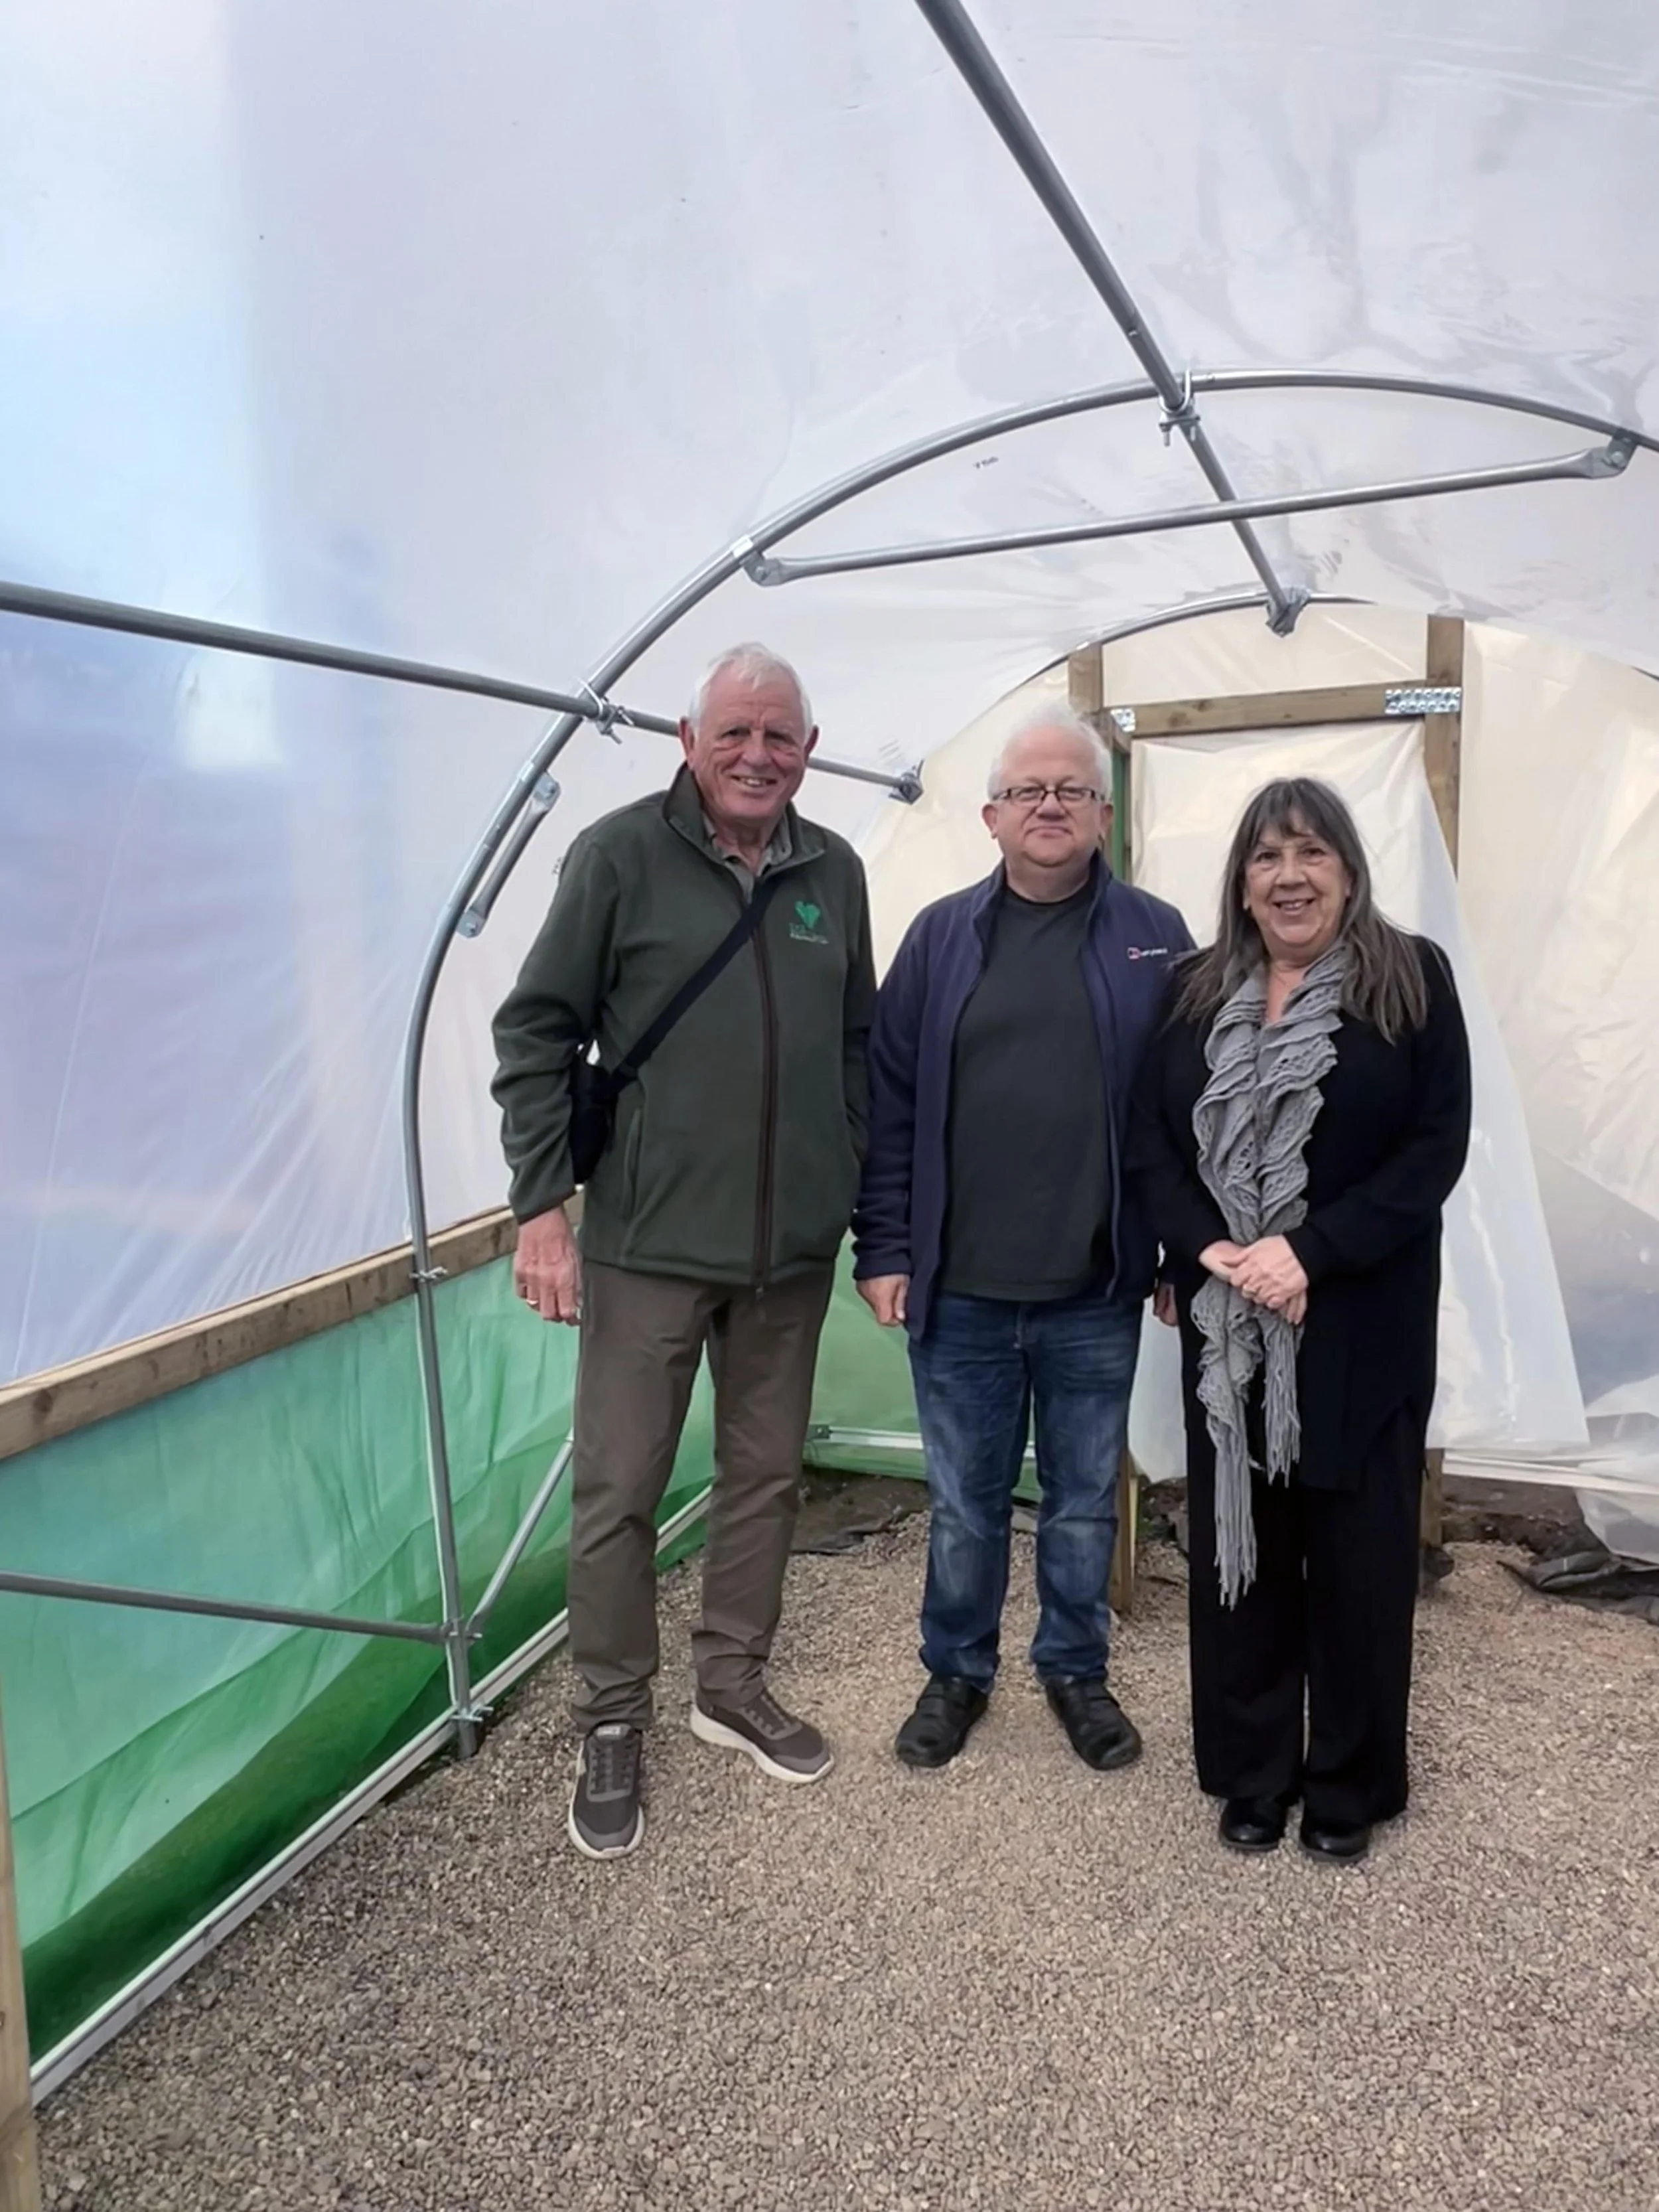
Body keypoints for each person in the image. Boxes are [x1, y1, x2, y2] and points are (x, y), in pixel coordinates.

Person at [492, 643, 875, 1860]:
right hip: (649, 1245)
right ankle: (612, 1716)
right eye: (736, 733)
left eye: (780, 736)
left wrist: (846, 1177)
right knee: (620, 1490)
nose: (758, 755)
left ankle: (732, 1684)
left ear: (810, 750)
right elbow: (535, 1032)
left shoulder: (834, 871)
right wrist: (542, 1207)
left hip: (788, 1255)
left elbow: (856, 1045)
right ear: (687, 739)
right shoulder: (617, 857)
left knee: (764, 1475)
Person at [1127, 776, 1471, 1863]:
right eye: (1267, 856)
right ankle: (1252, 1772)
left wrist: (1312, 1252)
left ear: (1350, 872)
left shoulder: (1411, 978)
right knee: (1246, 1554)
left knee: (1361, 1565)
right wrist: (1208, 1249)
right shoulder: (1191, 993)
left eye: (1312, 853)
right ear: (1241, 882)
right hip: (1232, 1329)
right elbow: (1150, 1143)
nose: (1289, 876)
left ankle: (1349, 1783)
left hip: (1361, 1323)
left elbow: (1435, 1149)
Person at [852, 705, 1193, 1773]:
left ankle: (1075, 1670)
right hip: (959, 1290)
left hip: (1095, 1287)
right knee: (965, 1507)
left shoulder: (1157, 937)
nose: (1050, 806)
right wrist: (884, 1246)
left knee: (1085, 1505)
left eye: (1072, 790)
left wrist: (1182, 1251)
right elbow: (890, 1103)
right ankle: (956, 1672)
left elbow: (1190, 1110)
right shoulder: (939, 939)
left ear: (1104, 815)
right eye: (1027, 791)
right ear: (992, 816)